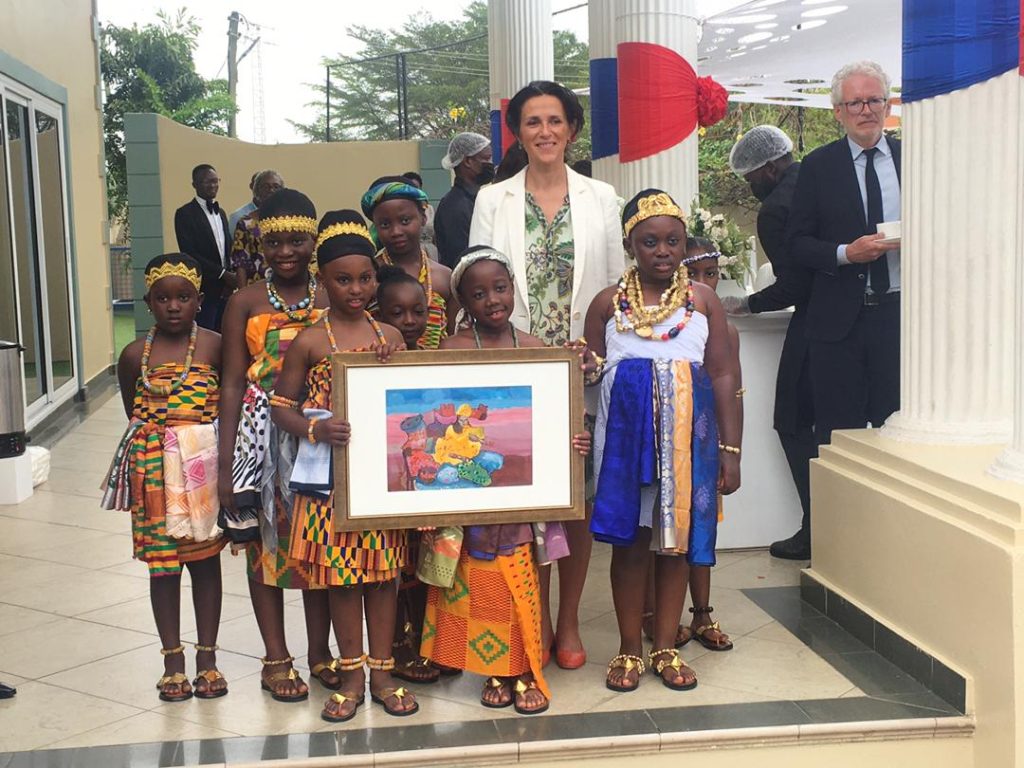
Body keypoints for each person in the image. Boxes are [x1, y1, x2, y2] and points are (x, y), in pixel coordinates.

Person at [470, 80, 624, 670]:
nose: (544, 132)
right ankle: (527, 619)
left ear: (573, 129)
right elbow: (479, 284)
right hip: (518, 370)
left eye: (555, 120)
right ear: (518, 132)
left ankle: (567, 624)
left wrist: (598, 355)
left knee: (575, 504)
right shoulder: (494, 200)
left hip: (581, 372)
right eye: (532, 122)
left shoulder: (601, 197)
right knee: (525, 501)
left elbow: (612, 288)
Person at [419, 246, 591, 715]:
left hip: (522, 493)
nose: (492, 300)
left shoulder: (536, 348)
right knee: (480, 581)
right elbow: (431, 409)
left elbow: (558, 416)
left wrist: (573, 441)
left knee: (523, 577)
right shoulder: (450, 350)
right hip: (467, 488)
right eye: (478, 294)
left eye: (500, 288)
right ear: (464, 303)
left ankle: (522, 668)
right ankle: (494, 668)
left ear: (513, 288)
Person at [585, 190, 741, 693]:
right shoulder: (609, 304)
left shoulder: (702, 301)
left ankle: (667, 648)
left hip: (686, 448)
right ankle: (630, 648)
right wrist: (585, 369)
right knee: (631, 545)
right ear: (631, 245)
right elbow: (586, 372)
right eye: (649, 241)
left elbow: (722, 376)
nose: (663, 251)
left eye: (672, 241)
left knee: (673, 547)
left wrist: (730, 451)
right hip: (626, 448)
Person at [272, 209, 416, 722]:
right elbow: (280, 407)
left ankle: (384, 672)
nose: (356, 289)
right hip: (327, 488)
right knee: (340, 579)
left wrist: (389, 367)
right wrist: (316, 428)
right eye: (343, 279)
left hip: (379, 484)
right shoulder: (310, 341)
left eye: (365, 278)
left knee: (382, 578)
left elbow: (409, 408)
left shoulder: (390, 339)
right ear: (322, 280)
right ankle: (351, 674)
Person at [216, 188, 336, 704]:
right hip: (262, 438)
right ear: (258, 243)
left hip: (318, 434)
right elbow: (231, 383)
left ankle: (319, 652)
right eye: (274, 242)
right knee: (266, 545)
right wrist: (226, 465)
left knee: (318, 543)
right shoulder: (245, 301)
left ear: (313, 242)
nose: (285, 252)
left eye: (296, 241)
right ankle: (275, 657)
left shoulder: (333, 293)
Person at [786, 60, 901, 556]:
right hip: (840, 324)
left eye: (874, 100)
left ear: (888, 105)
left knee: (899, 428)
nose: (866, 110)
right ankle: (839, 548)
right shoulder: (818, 167)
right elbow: (796, 244)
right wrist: (844, 254)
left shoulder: (915, 157)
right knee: (839, 438)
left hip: (901, 318)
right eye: (855, 103)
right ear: (837, 112)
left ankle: (894, 542)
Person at [103, 253, 227, 702]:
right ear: (148, 303)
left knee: (205, 561)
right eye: (163, 298)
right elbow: (130, 409)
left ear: (199, 300)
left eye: (184, 297)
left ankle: (207, 658)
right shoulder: (134, 354)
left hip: (201, 471)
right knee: (163, 567)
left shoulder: (215, 345)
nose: (173, 306)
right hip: (154, 471)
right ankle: (172, 660)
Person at [725, 125, 817, 561]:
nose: (751, 186)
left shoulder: (776, 209)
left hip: (815, 323)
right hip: (858, 320)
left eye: (750, 177)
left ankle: (814, 527)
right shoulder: (821, 179)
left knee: (793, 422)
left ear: (769, 166)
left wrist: (749, 304)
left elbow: (796, 284)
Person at [361, 176, 459, 349]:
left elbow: (454, 337)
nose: (396, 231)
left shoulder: (444, 277)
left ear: (423, 217)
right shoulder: (368, 276)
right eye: (385, 224)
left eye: (405, 221)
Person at [174, 164, 235, 330]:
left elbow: (226, 248)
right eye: (207, 182)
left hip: (226, 289)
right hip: (205, 288)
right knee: (205, 334)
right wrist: (223, 274)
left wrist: (230, 279)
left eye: (216, 181)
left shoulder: (221, 213)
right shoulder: (185, 214)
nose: (213, 185)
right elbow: (189, 252)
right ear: (195, 184)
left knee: (226, 333)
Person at [434, 132, 493, 268]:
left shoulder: (476, 199)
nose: (490, 164)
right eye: (486, 158)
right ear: (468, 161)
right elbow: (462, 258)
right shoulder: (454, 207)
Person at [230, 170, 285, 286]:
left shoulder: (289, 222)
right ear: (256, 191)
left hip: (286, 286)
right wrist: (243, 295)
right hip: (256, 288)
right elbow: (240, 264)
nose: (271, 190)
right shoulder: (246, 223)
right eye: (266, 187)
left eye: (276, 187)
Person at [401, 171, 437, 253]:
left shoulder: (429, 209)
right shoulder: (400, 210)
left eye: (417, 188)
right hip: (410, 251)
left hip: (432, 252)